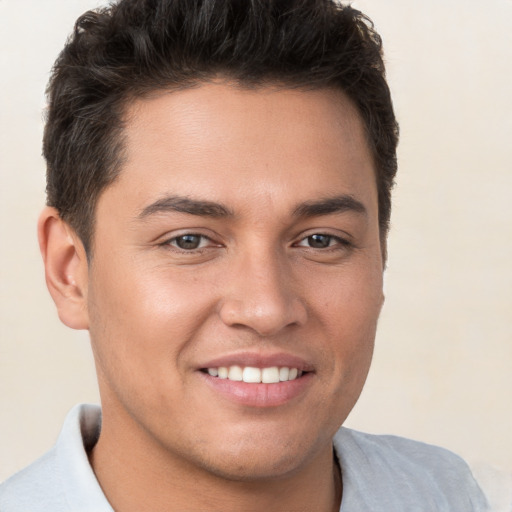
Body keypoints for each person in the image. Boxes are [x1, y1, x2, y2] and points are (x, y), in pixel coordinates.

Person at [0, 0, 489, 510]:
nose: (267, 309)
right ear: (69, 271)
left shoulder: (448, 495)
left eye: (320, 240)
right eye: (189, 240)